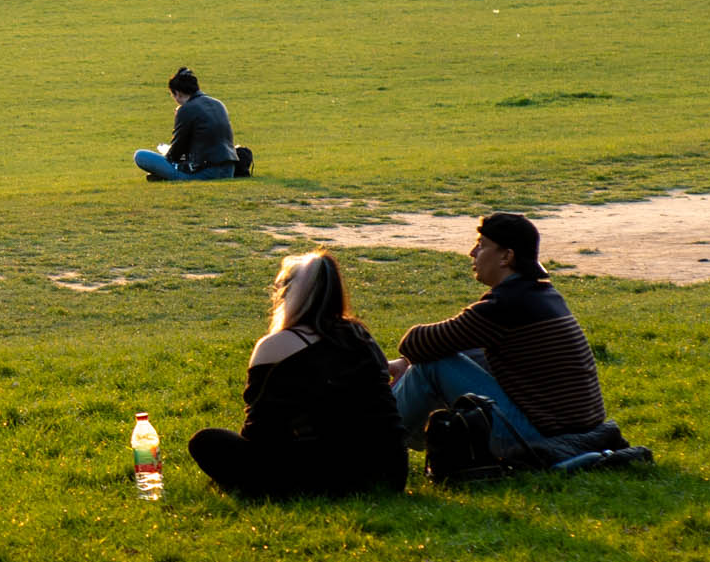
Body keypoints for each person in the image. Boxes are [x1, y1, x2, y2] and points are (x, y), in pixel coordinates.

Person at [186, 252, 409, 499]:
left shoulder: (277, 345)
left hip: (332, 479)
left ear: (285, 295)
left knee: (206, 442)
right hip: (391, 472)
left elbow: (260, 433)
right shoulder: (361, 336)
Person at [387, 213, 608, 458]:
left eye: (481, 246)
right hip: (571, 431)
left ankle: (367, 436)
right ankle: (401, 437)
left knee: (434, 365)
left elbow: (415, 342)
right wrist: (407, 363)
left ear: (506, 256)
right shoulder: (541, 294)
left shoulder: (504, 305)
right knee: (454, 354)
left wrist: (411, 359)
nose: (472, 253)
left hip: (535, 438)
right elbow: (447, 345)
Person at [135, 66, 249, 182]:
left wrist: (167, 152)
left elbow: (175, 154)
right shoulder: (218, 104)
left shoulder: (186, 109)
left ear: (178, 93)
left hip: (205, 172)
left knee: (140, 156)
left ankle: (166, 175)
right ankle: (162, 175)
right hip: (229, 169)